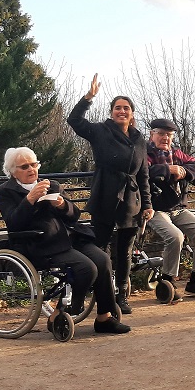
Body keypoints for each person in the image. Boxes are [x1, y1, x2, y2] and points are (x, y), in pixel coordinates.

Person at [0, 147, 127, 335]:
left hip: (72, 237)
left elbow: (75, 215)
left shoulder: (51, 185)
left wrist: (63, 205)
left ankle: (104, 317)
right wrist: (30, 199)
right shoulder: (5, 192)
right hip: (41, 242)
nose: (31, 169)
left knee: (103, 260)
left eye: (34, 164)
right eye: (24, 166)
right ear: (13, 171)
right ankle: (62, 311)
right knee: (86, 268)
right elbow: (13, 223)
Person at [68, 75, 153, 315]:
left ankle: (121, 296)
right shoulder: (100, 131)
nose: (122, 111)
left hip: (131, 200)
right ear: (112, 111)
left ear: (132, 113)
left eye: (126, 108)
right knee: (99, 246)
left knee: (125, 250)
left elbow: (143, 174)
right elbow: (74, 121)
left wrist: (147, 204)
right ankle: (96, 294)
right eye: (118, 108)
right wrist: (88, 97)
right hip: (105, 193)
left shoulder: (139, 140)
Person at [146, 118, 195, 300]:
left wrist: (184, 171)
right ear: (152, 134)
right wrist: (168, 170)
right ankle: (167, 279)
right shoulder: (146, 154)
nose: (165, 138)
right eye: (161, 133)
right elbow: (143, 171)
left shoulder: (176, 154)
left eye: (169, 135)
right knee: (175, 236)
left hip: (177, 208)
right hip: (154, 209)